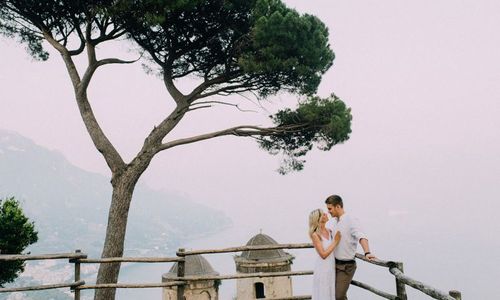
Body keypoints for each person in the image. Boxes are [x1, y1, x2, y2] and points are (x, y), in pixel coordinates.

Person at [325, 195, 376, 300]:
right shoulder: (334, 222)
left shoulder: (351, 220)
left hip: (346, 266)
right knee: (335, 295)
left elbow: (361, 236)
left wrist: (367, 252)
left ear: (338, 206)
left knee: (338, 296)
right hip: (334, 264)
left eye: (330, 208)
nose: (328, 211)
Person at [309, 208, 342, 300]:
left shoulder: (330, 231)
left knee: (330, 291)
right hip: (323, 267)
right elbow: (323, 255)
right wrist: (335, 241)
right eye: (323, 214)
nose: (326, 214)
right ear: (318, 218)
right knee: (323, 291)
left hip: (331, 265)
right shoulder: (315, 234)